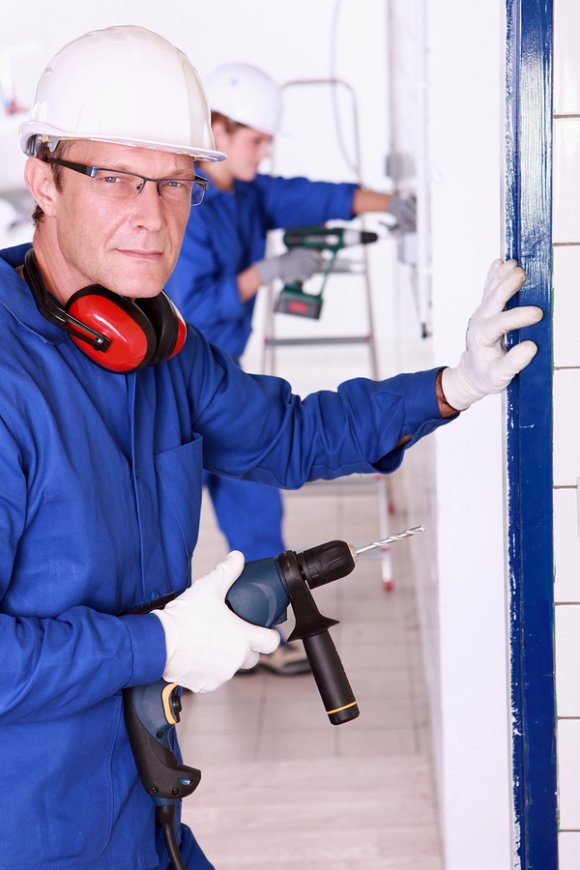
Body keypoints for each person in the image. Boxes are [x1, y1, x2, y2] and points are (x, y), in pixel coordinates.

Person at [0, 25, 541, 870]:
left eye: (177, 183)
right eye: (115, 179)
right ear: (45, 180)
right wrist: (162, 644)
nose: (153, 216)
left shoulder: (162, 345)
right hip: (31, 830)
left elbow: (288, 435)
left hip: (145, 812)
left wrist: (451, 387)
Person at [165, 62, 416, 675]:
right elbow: (188, 305)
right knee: (165, 518)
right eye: (255, 139)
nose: (264, 150)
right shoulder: (185, 203)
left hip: (224, 378)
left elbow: (309, 195)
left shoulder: (247, 194)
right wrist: (265, 275)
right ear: (217, 131)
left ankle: (262, 632)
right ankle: (159, 650)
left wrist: (389, 204)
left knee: (253, 497)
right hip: (172, 382)